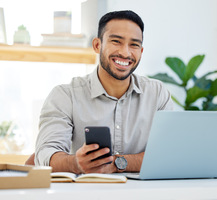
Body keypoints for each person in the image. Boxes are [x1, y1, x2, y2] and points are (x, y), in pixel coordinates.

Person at [32, 10, 173, 174]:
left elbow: (168, 153)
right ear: (97, 45)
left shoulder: (157, 94)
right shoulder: (65, 96)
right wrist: (75, 163)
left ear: (141, 51)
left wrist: (116, 163)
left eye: (134, 44)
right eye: (116, 41)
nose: (125, 53)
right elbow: (44, 155)